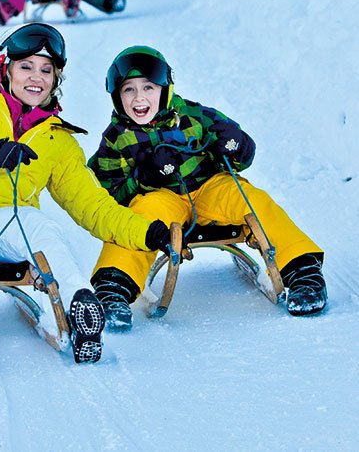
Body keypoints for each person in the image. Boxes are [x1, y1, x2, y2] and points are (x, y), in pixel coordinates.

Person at [0, 25, 170, 363]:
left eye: (46, 70)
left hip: (1, 222)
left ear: (56, 79)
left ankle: (77, 304)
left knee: (40, 226)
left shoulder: (57, 140)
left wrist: (146, 231)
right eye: (26, 66)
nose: (36, 77)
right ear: (5, 69)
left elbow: (91, 205)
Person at [88, 45, 327, 331]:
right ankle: (113, 289)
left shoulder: (193, 115)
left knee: (251, 199)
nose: (139, 97)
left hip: (210, 187)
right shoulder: (116, 138)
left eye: (148, 87)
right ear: (117, 95)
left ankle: (303, 272)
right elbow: (105, 194)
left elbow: (241, 153)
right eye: (129, 90)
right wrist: (145, 179)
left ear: (164, 89)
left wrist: (236, 145)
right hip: (161, 198)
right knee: (139, 220)